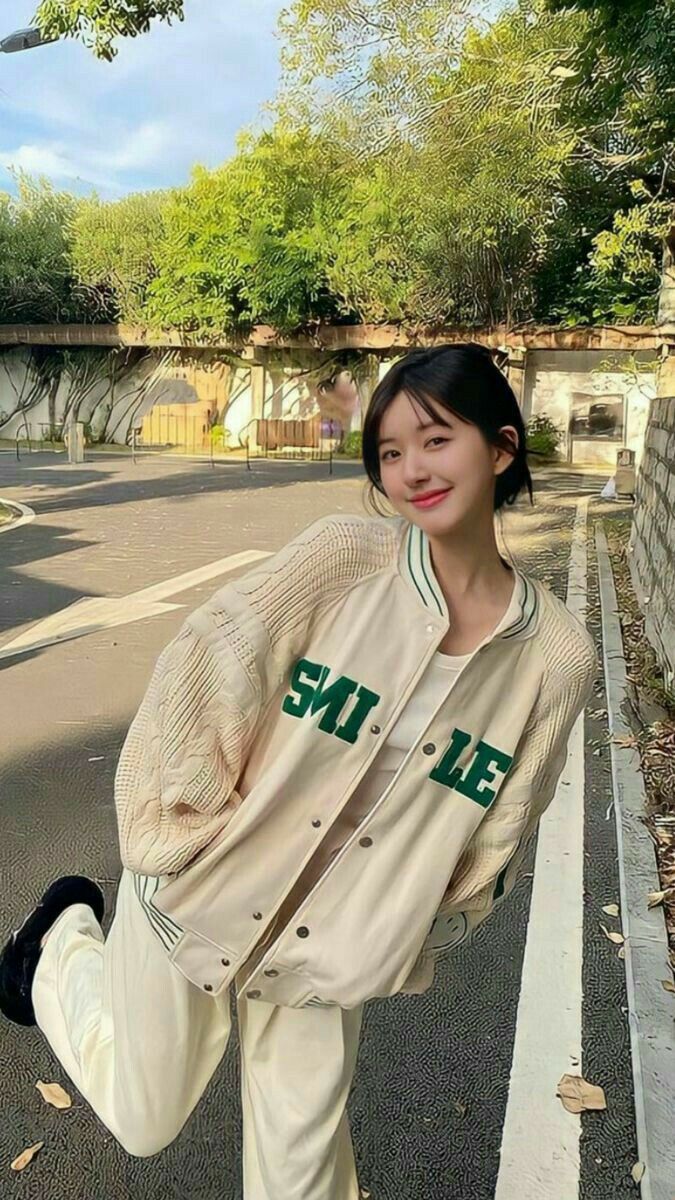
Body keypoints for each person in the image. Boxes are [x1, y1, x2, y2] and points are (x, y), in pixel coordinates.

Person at [0, 343, 597, 1198]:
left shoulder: (555, 656)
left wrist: (405, 930)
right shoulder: (343, 559)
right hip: (205, 883)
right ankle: (58, 942)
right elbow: (204, 672)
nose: (410, 470)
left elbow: (501, 828)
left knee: (301, 1174)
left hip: (331, 947)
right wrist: (183, 835)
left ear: (501, 448)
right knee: (142, 1118)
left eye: (435, 441)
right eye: (389, 452)